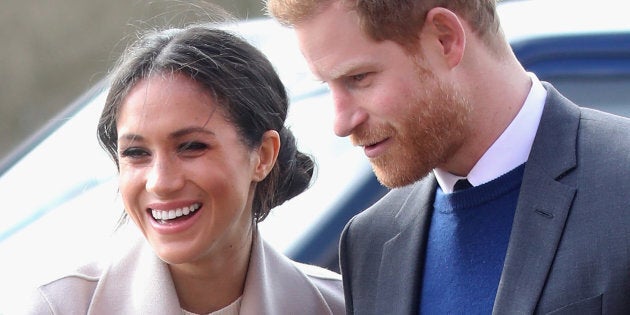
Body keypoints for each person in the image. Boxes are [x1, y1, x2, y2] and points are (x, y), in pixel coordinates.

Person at [266, 0, 630, 314]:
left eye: (359, 78)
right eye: (327, 86)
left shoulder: (621, 185)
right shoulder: (369, 242)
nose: (341, 123)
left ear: (445, 38)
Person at [19, 23, 344, 314]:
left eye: (191, 147)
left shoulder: (336, 305)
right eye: (135, 152)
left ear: (262, 155)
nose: (161, 182)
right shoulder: (59, 307)